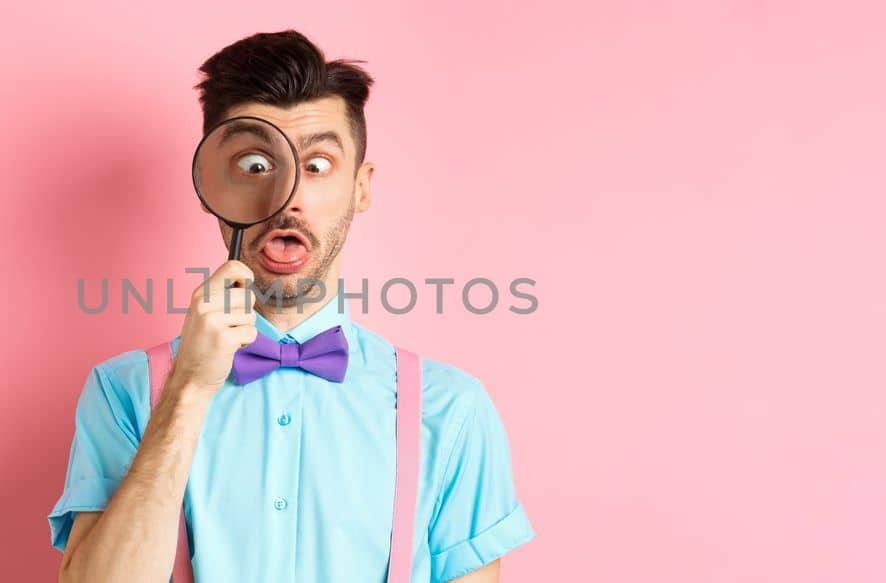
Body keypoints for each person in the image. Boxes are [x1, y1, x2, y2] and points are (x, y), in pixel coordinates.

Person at [49, 29, 533, 582]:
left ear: (361, 187)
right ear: (209, 186)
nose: (289, 195)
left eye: (319, 165)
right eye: (256, 165)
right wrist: (186, 391)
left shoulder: (451, 410)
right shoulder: (124, 393)